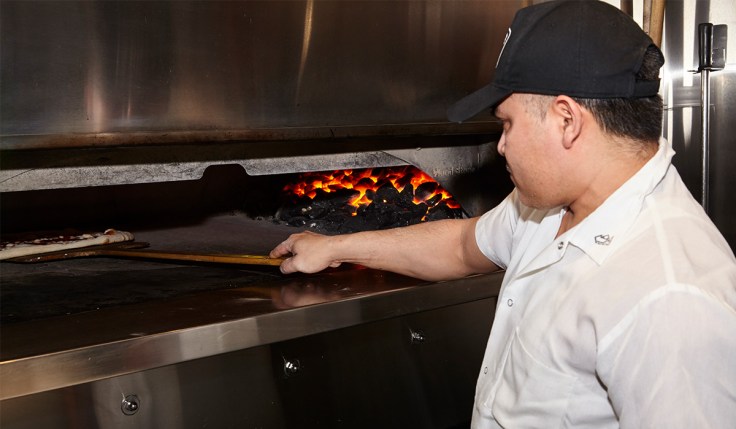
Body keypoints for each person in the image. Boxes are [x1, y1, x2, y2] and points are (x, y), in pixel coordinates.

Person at [270, 1, 736, 427]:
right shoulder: (549, 204)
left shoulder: (670, 297)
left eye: (508, 123)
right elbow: (460, 246)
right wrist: (334, 247)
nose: (501, 145)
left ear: (567, 120)